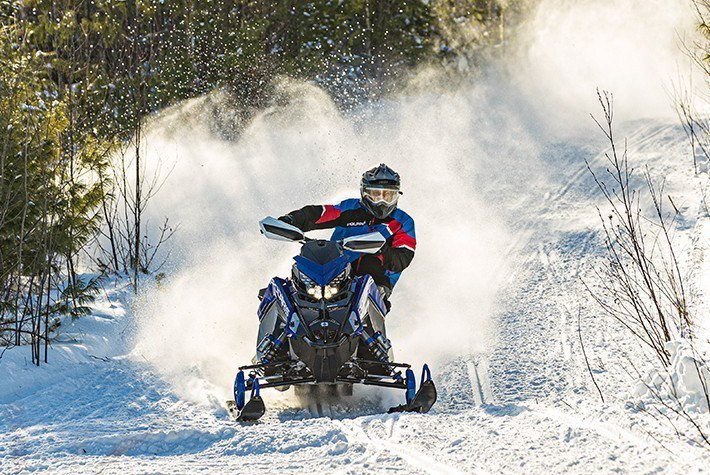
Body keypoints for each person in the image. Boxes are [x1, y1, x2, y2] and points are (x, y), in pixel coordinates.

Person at [279, 163, 416, 311]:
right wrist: (291, 220)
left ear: (396, 196)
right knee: (301, 272)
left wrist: (382, 250)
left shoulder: (403, 222)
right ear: (364, 193)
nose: (381, 202)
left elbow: (402, 258)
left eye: (388, 196)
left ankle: (370, 329)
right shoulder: (350, 208)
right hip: (335, 272)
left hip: (376, 281)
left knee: (370, 264)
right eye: (375, 195)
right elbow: (321, 214)